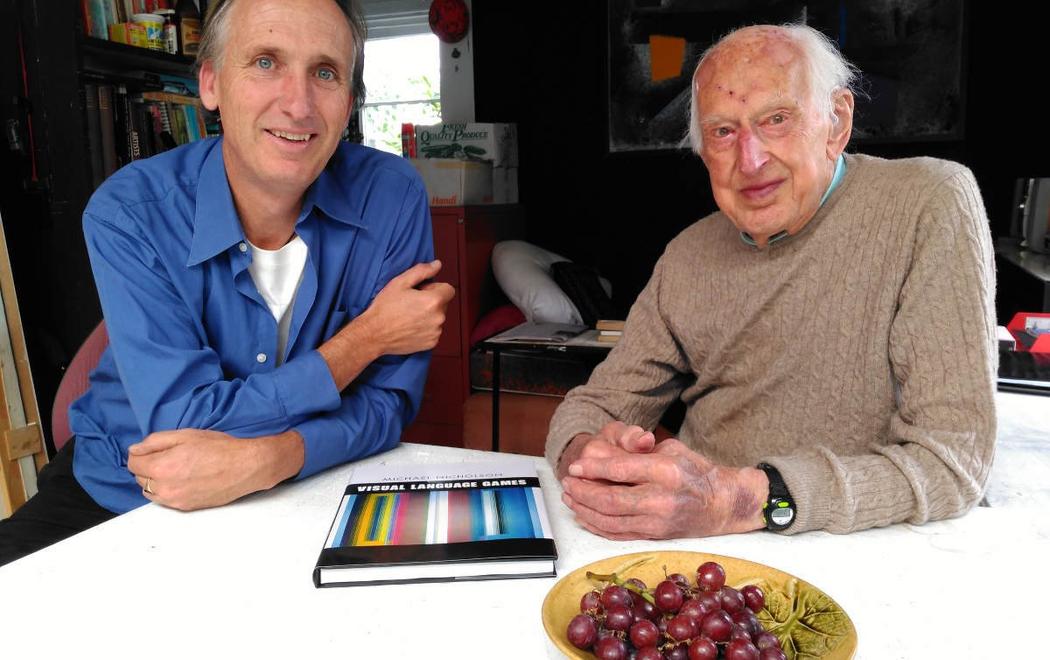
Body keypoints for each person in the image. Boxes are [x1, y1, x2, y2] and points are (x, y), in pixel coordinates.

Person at [0, 0, 454, 566]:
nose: (298, 104)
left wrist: (274, 459)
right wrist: (366, 340)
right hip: (128, 492)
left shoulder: (390, 196)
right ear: (211, 84)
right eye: (266, 62)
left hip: (308, 489)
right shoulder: (131, 211)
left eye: (326, 72)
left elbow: (388, 403)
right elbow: (181, 423)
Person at [546, 24, 997, 540]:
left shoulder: (928, 202)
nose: (751, 160)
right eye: (722, 132)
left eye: (777, 120)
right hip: (708, 565)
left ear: (837, 124)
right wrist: (588, 457)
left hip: (863, 553)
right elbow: (592, 405)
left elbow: (952, 464)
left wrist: (739, 499)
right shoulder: (688, 256)